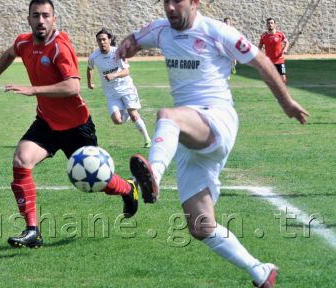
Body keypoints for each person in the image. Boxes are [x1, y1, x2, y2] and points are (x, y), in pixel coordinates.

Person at [116, 0, 308, 287]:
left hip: (216, 119)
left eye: (176, 1)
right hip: (184, 133)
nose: (169, 8)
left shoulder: (216, 31)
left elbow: (262, 61)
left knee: (167, 114)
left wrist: (287, 102)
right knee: (200, 225)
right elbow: (133, 39)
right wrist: (126, 45)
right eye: (165, 2)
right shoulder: (160, 30)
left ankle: (151, 176)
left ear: (194, 3)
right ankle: (260, 271)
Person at [0, 0, 139, 249]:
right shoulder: (23, 42)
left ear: (54, 19)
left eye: (45, 16)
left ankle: (128, 189)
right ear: (28, 18)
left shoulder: (60, 46)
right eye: (36, 15)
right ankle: (32, 231)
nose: (41, 20)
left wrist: (33, 90)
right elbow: (8, 54)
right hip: (47, 122)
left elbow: (73, 87)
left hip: (76, 127)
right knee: (21, 161)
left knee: (98, 182)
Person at [87, 28, 152, 148]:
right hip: (111, 93)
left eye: (104, 39)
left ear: (109, 40)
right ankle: (127, 112)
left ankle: (147, 140)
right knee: (117, 120)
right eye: (99, 40)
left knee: (133, 114)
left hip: (126, 88)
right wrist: (90, 83)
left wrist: (114, 75)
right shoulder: (93, 56)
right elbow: (90, 68)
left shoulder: (117, 52)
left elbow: (126, 71)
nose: (102, 42)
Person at [259, 18, 289, 83]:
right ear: (266, 25)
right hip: (269, 60)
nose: (270, 24)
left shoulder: (280, 34)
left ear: (275, 24)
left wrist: (285, 49)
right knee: (271, 78)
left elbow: (287, 42)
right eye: (268, 23)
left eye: (271, 23)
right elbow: (260, 45)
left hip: (279, 60)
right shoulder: (264, 36)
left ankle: (282, 90)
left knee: (283, 79)